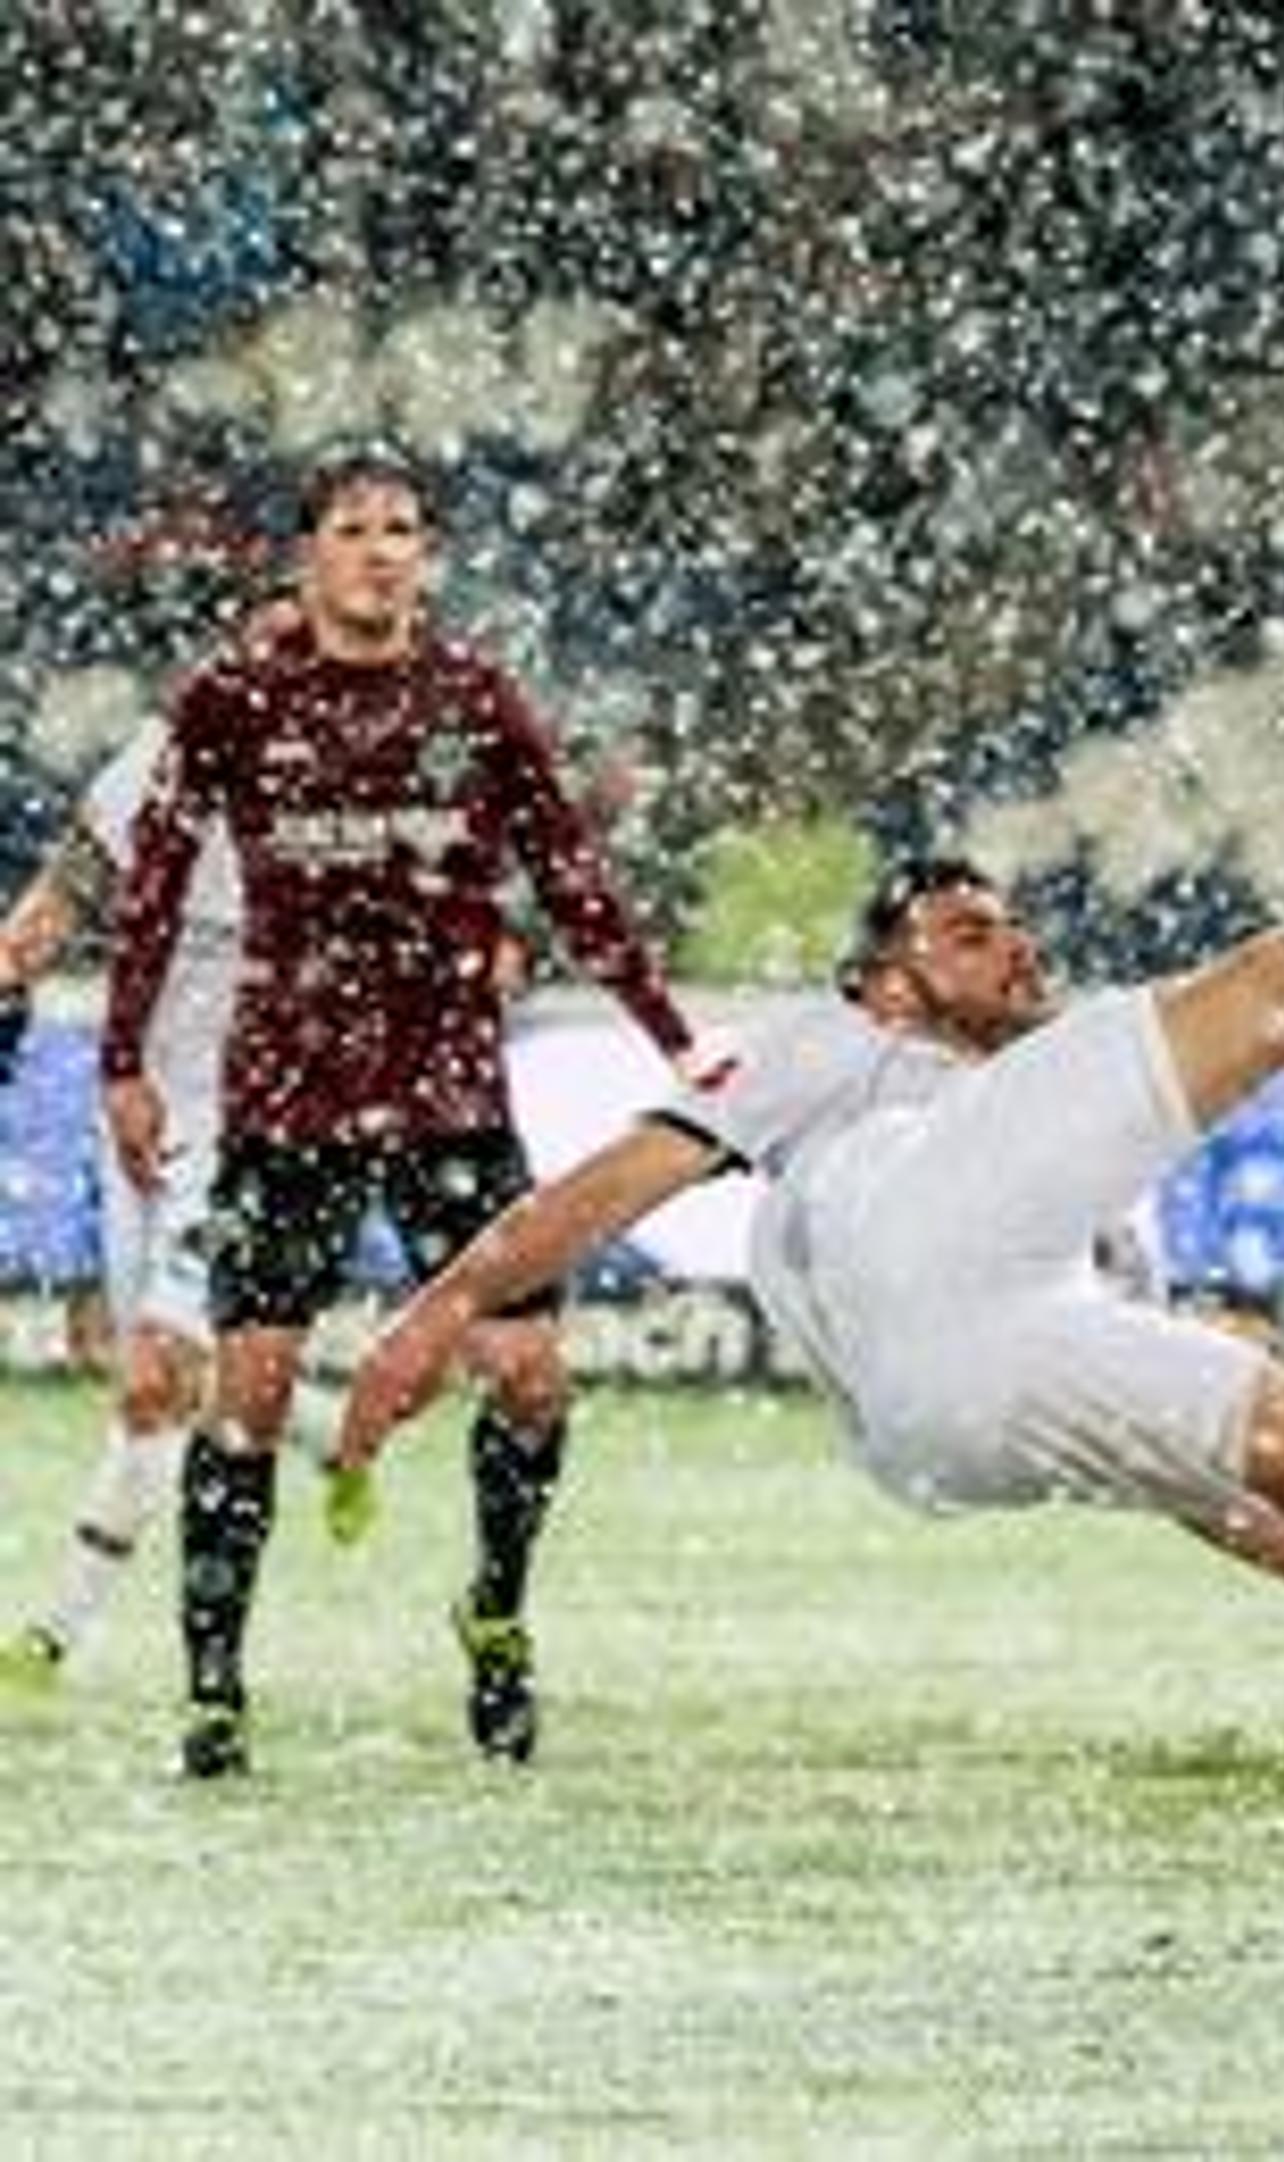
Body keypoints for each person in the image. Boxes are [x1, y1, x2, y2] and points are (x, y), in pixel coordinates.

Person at [332, 715, 1284, 1705]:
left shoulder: (1060, 1158)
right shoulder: (830, 1047)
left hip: (951, 1416)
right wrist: (442, 1303)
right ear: (882, 976)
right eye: (968, 930)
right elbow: (618, 1178)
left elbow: (1196, 1492)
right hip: (910, 1228)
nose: (1011, 942)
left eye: (1015, 920)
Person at [100, 446, 698, 1778]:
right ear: (305, 553)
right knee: (248, 1391)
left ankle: (494, 1612)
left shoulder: (475, 699)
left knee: (533, 1379)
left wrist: (675, 1038)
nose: (383, 551)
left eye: (405, 530)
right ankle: (215, 1689)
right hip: (290, 1086)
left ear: (426, 556)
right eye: (356, 528)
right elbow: (150, 888)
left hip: (445, 1089)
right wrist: (123, 1062)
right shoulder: (233, 699)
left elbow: (571, 875)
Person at [0, 716, 234, 1684]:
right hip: (139, 1108)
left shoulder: (360, 778)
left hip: (257, 1125)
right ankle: (327, 1431)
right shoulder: (167, 751)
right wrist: (14, 960)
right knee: (151, 1378)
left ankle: (57, 1626)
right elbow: (66, 888)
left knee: (155, 1373)